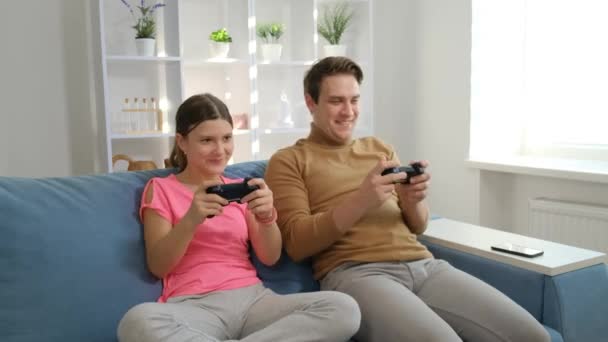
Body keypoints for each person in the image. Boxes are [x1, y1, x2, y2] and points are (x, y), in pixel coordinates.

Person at [265, 57, 550, 342]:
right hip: (357, 274)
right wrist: (362, 199)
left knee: (533, 336)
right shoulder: (289, 161)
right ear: (310, 102)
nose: (348, 111)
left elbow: (418, 226)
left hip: (424, 265)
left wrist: (413, 200)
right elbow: (297, 243)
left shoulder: (379, 149)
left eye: (354, 100)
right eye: (336, 101)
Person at [117, 93, 361, 342]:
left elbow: (270, 257)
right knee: (136, 322)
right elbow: (158, 266)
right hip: (194, 307)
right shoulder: (160, 188)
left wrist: (267, 216)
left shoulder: (242, 189)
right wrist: (191, 219)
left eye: (226, 138)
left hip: (254, 301)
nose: (220, 150)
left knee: (344, 308)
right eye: (207, 140)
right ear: (182, 142)